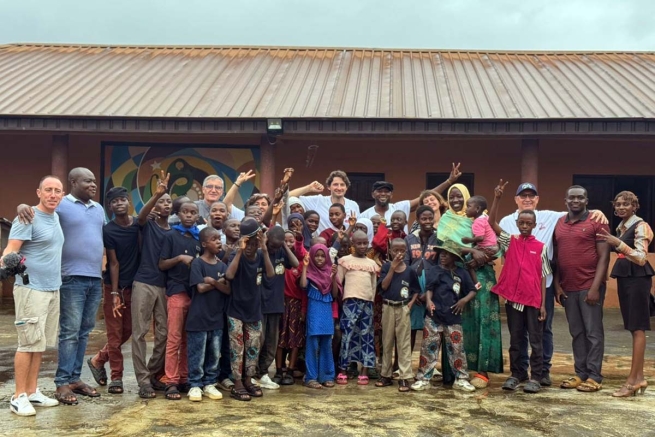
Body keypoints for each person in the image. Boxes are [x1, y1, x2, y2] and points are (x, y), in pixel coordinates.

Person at [498, 182, 607, 387]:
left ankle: (541, 372)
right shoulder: (506, 222)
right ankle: (518, 371)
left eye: (532, 196)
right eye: (523, 196)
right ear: (516, 200)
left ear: (537, 200)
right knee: (517, 332)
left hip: (542, 287)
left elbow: (575, 209)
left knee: (542, 330)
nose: (527, 199)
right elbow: (494, 236)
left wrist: (596, 211)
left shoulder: (549, 217)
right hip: (515, 288)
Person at [28, 168, 106, 404]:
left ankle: (74, 379)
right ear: (73, 182)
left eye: (94, 181)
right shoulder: (61, 204)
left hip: (94, 278)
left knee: (84, 331)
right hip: (71, 277)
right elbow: (39, 212)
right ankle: (62, 383)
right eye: (87, 181)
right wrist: (24, 207)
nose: (93, 185)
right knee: (70, 332)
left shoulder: (99, 208)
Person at [4, 176, 64, 415]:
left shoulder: (55, 216)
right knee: (27, 343)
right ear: (38, 192)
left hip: (52, 288)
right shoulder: (26, 216)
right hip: (31, 289)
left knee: (39, 345)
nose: (52, 194)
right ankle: (18, 396)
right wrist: (8, 261)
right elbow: (10, 249)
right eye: (48, 190)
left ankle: (32, 391)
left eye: (57, 191)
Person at [438, 183, 503, 388]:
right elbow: (445, 244)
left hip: (482, 274)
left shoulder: (480, 219)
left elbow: (497, 244)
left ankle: (482, 371)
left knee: (482, 317)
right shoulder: (446, 220)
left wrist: (480, 257)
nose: (456, 200)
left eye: (460, 197)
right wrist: (471, 251)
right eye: (452, 196)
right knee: (455, 318)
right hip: (454, 273)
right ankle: (455, 369)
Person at [488, 180, 550, 394]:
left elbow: (543, 276)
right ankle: (517, 373)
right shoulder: (509, 241)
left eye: (528, 223)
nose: (524, 226)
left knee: (536, 339)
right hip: (514, 300)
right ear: (517, 223)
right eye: (521, 222)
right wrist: (496, 198)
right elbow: (491, 222)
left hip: (533, 300)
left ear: (534, 225)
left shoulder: (541, 247)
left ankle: (537, 376)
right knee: (516, 338)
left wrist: (542, 303)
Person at [554, 185, 610, 393]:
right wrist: (557, 286)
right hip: (568, 289)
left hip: (589, 287)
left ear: (587, 201)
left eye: (580, 198)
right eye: (572, 198)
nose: (575, 201)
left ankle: (595, 376)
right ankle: (581, 373)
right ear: (565, 201)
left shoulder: (597, 222)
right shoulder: (560, 223)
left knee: (593, 333)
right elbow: (557, 257)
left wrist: (595, 287)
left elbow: (604, 256)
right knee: (576, 332)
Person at [596, 191, 653, 397]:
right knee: (632, 328)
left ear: (634, 207)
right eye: (618, 204)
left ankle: (632, 381)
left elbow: (641, 258)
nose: (620, 207)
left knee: (638, 328)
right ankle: (639, 378)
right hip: (627, 280)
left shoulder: (641, 226)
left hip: (638, 280)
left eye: (625, 204)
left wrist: (617, 243)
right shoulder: (623, 227)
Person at [87, 187, 139, 395]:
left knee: (130, 329)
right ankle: (116, 378)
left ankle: (98, 359)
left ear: (129, 202)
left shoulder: (138, 225)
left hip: (135, 287)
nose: (119, 204)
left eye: (122, 200)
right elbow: (114, 263)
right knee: (115, 334)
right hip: (114, 287)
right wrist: (115, 294)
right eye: (114, 201)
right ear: (109, 206)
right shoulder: (109, 230)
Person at [411, 241, 476, 393]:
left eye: (447, 254)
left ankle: (461, 379)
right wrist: (428, 301)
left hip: (453, 317)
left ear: (454, 257)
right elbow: (429, 288)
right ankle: (424, 378)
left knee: (457, 348)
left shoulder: (461, 273)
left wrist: (463, 300)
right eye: (442, 253)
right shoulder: (434, 270)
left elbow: (472, 290)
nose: (443, 256)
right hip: (434, 316)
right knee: (429, 347)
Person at [131, 172, 172, 399]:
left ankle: (153, 372)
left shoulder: (173, 231)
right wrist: (156, 195)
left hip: (164, 286)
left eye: (168, 201)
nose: (165, 204)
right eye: (162, 201)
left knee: (164, 334)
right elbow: (140, 216)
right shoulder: (149, 225)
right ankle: (143, 381)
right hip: (144, 282)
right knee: (140, 332)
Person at [225, 219, 275, 401]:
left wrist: (264, 248)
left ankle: (248, 379)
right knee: (237, 348)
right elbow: (229, 275)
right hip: (236, 310)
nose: (250, 247)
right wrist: (239, 250)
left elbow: (270, 274)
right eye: (247, 242)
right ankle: (237, 382)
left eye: (253, 243)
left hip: (254, 310)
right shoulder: (236, 255)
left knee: (253, 346)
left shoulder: (261, 255)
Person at [158, 201, 201, 400]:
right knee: (174, 338)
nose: (189, 215)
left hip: (195, 293)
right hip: (176, 291)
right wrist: (179, 259)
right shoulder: (170, 236)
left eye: (193, 212)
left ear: (198, 215)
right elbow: (162, 264)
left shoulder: (199, 238)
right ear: (179, 213)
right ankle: (171, 380)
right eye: (185, 212)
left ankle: (184, 377)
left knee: (187, 339)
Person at [186, 227, 231, 402]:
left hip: (217, 318)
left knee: (214, 352)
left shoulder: (222, 266)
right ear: (204, 243)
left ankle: (210, 383)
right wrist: (217, 282)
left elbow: (227, 289)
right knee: (197, 352)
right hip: (198, 318)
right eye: (214, 239)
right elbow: (200, 288)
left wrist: (212, 280)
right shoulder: (198, 264)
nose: (219, 241)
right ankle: (195, 384)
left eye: (219, 238)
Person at [257, 226, 300, 390]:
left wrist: (284, 246)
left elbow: (296, 264)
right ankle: (253, 373)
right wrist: (266, 248)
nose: (274, 248)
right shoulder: (260, 252)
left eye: (277, 245)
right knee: (258, 341)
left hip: (276, 303)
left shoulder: (282, 252)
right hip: (261, 303)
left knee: (271, 342)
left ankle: (263, 373)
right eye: (272, 245)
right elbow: (270, 274)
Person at [359, 164, 461, 232]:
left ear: (391, 195)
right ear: (373, 194)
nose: (383, 194)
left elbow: (428, 196)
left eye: (386, 192)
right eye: (379, 191)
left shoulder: (399, 207)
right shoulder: (364, 215)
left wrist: (449, 181)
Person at [335, 231, 380, 386]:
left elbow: (373, 286)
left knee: (366, 336)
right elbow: (338, 283)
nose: (362, 246)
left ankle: (365, 371)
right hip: (350, 303)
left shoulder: (372, 264)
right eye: (358, 243)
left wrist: (371, 301)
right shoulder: (345, 261)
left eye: (364, 243)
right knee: (347, 334)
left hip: (367, 303)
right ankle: (343, 370)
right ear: (353, 245)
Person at [375, 239, 419, 392]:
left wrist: (410, 304)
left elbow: (416, 290)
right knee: (387, 341)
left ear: (406, 251)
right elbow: (384, 286)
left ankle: (404, 377)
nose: (398, 253)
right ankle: (386, 375)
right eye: (395, 250)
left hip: (403, 308)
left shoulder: (410, 270)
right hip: (388, 307)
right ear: (390, 251)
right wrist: (392, 268)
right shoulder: (387, 267)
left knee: (403, 343)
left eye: (401, 250)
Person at [300, 244, 340, 389]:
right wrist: (304, 267)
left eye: (323, 256)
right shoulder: (310, 272)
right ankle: (311, 378)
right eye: (316, 255)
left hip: (326, 312)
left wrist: (334, 277)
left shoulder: (331, 271)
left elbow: (335, 294)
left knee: (326, 344)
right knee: (312, 344)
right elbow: (303, 285)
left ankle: (327, 376)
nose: (319, 258)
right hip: (314, 312)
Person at [404, 206, 439, 364]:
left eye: (430, 218)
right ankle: (405, 365)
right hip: (413, 289)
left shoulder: (439, 239)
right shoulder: (409, 239)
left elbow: (440, 267)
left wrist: (430, 293)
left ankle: (430, 366)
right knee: (410, 330)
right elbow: (405, 266)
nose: (427, 221)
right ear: (417, 220)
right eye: (423, 218)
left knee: (431, 330)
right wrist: (413, 293)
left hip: (431, 290)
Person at [275, 230, 308, 385]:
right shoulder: (277, 260)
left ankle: (290, 369)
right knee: (280, 338)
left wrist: (303, 310)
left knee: (294, 339)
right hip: (281, 303)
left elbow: (303, 289)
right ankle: (278, 369)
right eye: (285, 241)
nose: (288, 244)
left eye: (291, 241)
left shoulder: (301, 263)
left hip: (296, 304)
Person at [290, 170, 360, 233]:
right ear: (329, 187)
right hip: (322, 245)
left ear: (346, 187)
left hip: (345, 246)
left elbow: (357, 228)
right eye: (335, 184)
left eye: (342, 185)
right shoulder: (318, 201)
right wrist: (308, 188)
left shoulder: (353, 205)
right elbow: (288, 197)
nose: (339, 188)